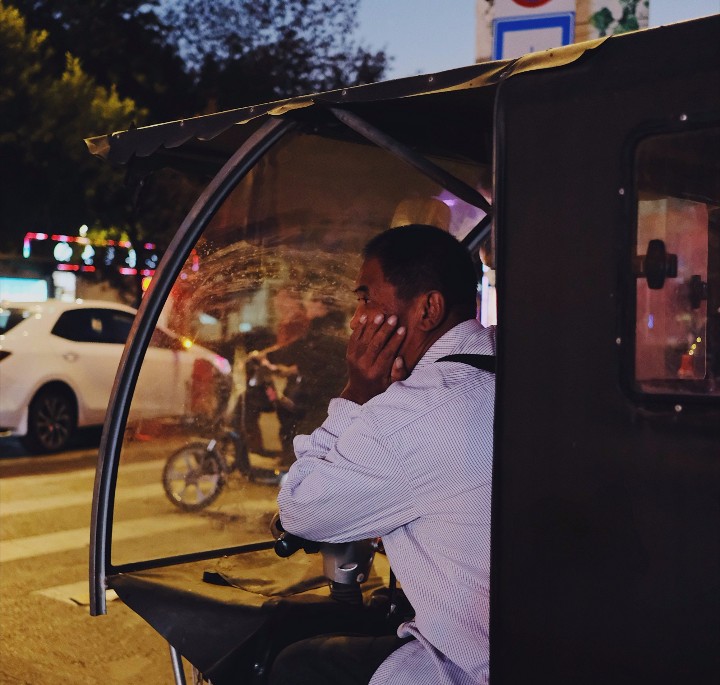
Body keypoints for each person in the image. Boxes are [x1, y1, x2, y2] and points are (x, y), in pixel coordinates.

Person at [271, 224, 496, 684]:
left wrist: (357, 393)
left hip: (468, 663)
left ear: (428, 309)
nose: (356, 320)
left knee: (296, 665)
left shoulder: (415, 413)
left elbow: (300, 511)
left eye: (366, 299)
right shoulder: (503, 360)